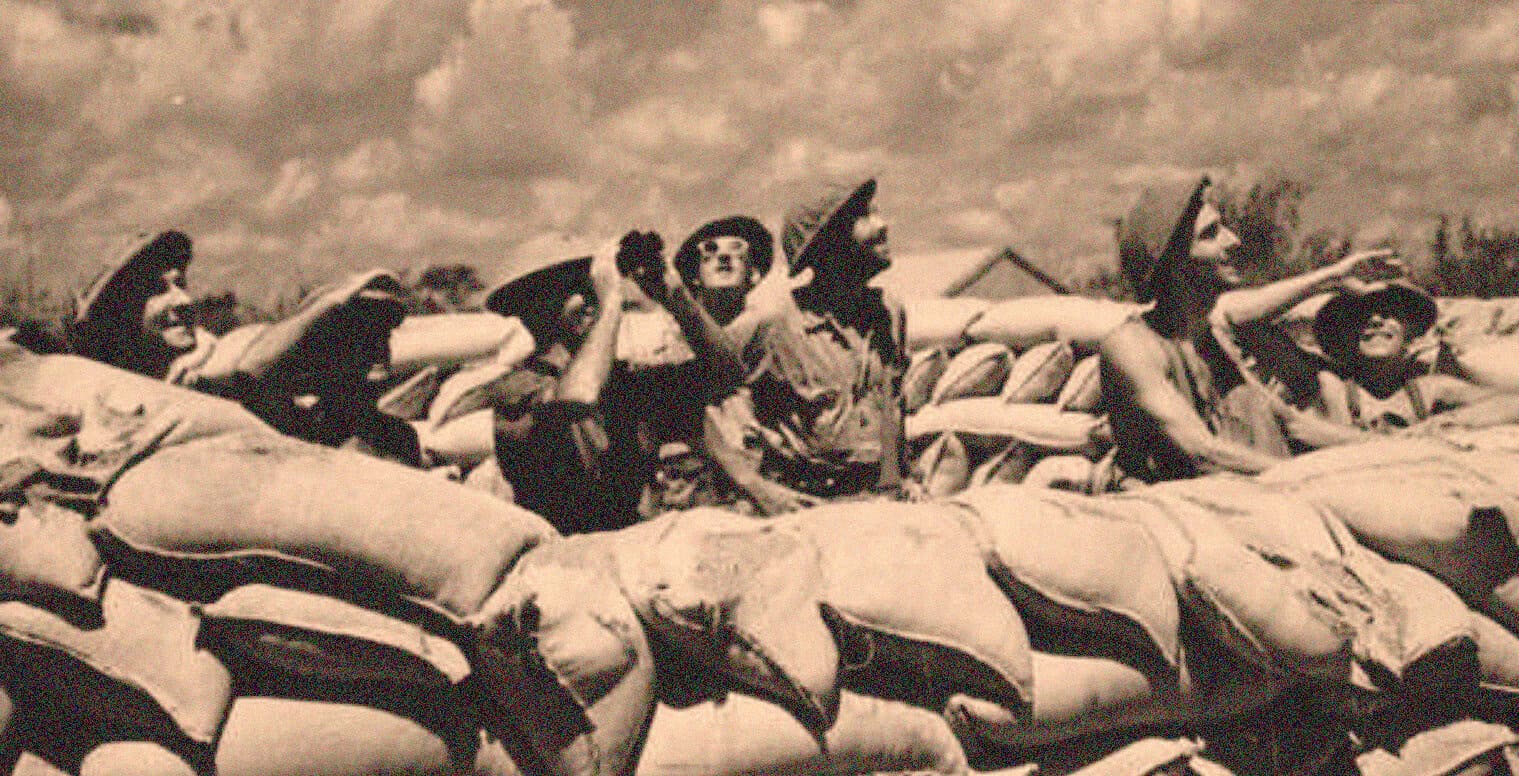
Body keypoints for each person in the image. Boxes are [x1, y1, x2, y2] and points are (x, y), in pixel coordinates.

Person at [67, 230, 420, 464]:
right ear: (120, 313)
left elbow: (254, 367)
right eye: (158, 290)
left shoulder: (213, 371)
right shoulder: (100, 397)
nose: (184, 301)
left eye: (182, 285)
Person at [704, 178, 907, 514]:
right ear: (829, 244)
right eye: (865, 217)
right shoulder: (774, 323)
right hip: (804, 504)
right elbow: (695, 400)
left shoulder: (889, 312)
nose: (883, 225)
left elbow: (893, 403)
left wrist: (900, 482)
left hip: (876, 500)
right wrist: (753, 484)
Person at [1098, 175, 1290, 484]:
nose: (1233, 240)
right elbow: (1201, 452)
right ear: (1174, 263)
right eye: (1211, 234)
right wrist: (1304, 476)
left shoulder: (1209, 342)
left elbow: (1290, 423)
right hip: (1165, 506)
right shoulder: (1132, 345)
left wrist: (1370, 453)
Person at [1216, 273, 1519, 446]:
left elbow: (1512, 404)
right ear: (1344, 334)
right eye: (1360, 315)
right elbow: (1242, 324)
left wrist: (1441, 425)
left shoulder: (1429, 390)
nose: (1375, 320)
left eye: (1390, 313)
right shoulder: (1327, 385)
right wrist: (1329, 279)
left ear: (1410, 333)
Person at [482, 240, 648, 534]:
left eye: (591, 287)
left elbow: (725, 376)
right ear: (533, 306)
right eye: (574, 289)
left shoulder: (619, 380)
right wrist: (611, 305)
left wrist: (674, 294)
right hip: (559, 548)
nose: (590, 300)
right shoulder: (515, 390)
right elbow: (579, 396)